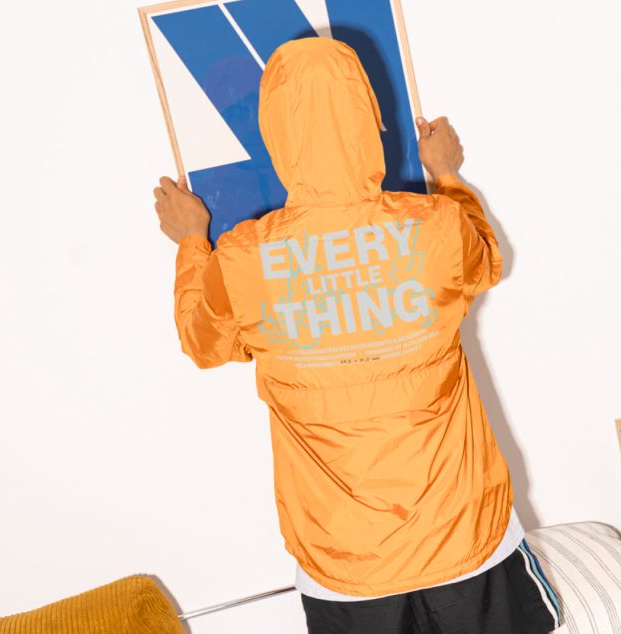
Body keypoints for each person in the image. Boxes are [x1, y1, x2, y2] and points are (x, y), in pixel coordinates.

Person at [152, 37, 562, 634]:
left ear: (275, 133)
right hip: (463, 533)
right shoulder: (433, 227)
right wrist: (446, 174)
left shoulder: (245, 259)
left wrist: (193, 243)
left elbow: (204, 342)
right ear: (370, 117)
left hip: (342, 559)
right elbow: (486, 261)